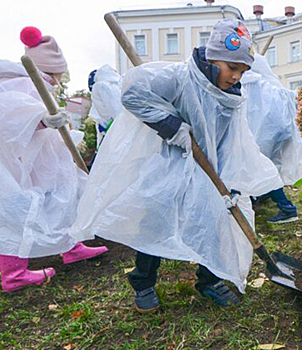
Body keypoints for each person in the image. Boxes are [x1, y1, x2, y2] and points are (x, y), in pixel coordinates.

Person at [71, 19, 283, 313]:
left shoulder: (231, 97)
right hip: (167, 163)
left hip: (209, 168)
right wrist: (174, 127)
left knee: (217, 218)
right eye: (232, 67)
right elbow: (132, 94)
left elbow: (232, 139)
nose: (236, 76)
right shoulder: (178, 77)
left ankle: (210, 280)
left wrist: (230, 176)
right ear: (213, 57)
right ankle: (142, 282)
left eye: (242, 71)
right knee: (156, 218)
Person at [0, 27, 108, 292]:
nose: (60, 81)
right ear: (48, 70)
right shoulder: (19, 82)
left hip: (42, 158)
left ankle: (71, 246)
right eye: (58, 75)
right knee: (20, 209)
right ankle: (13, 274)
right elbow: (10, 114)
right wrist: (40, 119)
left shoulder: (38, 83)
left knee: (64, 195)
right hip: (23, 162)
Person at [241, 54, 302, 224]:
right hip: (278, 132)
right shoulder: (268, 85)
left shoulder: (249, 85)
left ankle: (286, 208)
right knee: (266, 167)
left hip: (265, 134)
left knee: (261, 168)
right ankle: (259, 197)